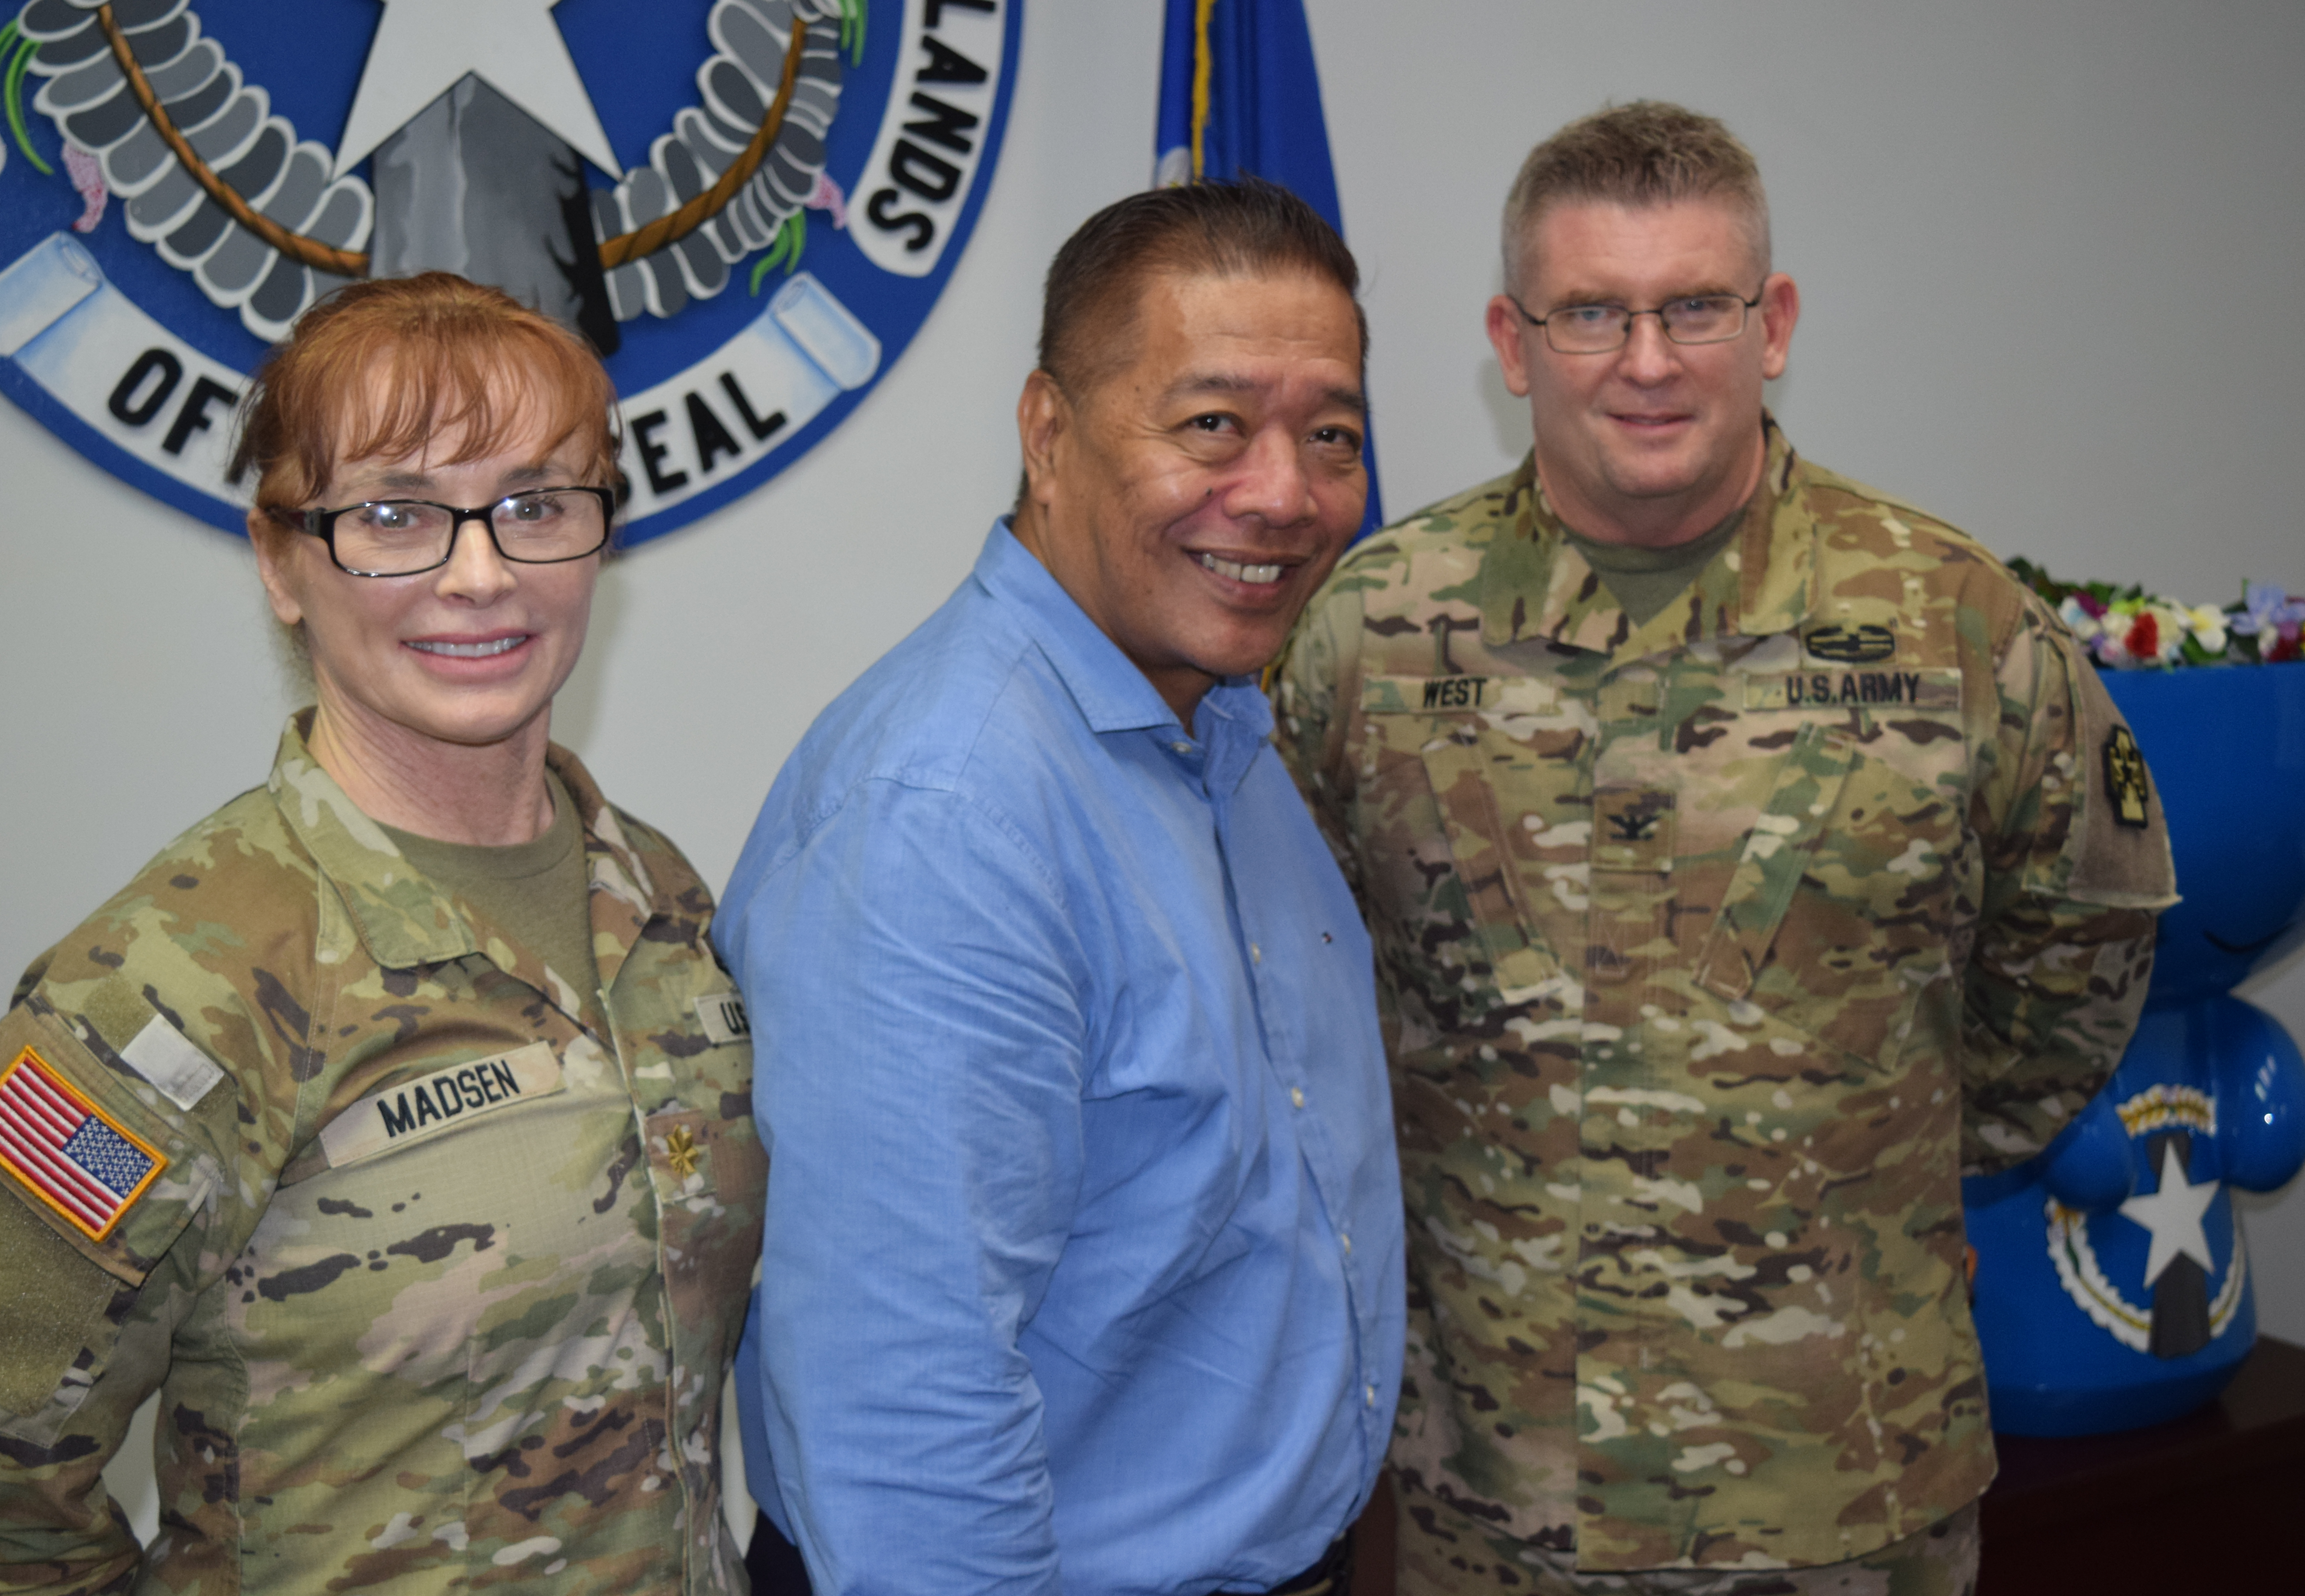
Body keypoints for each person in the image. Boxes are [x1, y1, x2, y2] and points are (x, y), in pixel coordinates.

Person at [1274, 103, 2177, 1596]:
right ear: (1512, 341)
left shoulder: (1956, 626)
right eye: (1593, 313)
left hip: (1846, 1489)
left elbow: (2079, 944)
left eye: (1697, 304)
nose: (1648, 360)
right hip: (1494, 1492)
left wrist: (1873, 1180)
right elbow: (1287, 996)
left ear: (1775, 325)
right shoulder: (1368, 636)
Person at [0, 273, 763, 1593]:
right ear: (281, 563)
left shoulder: (658, 898)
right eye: (395, 516)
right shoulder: (168, 988)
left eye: (537, 506)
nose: (479, 573)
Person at [714, 180, 1406, 1596]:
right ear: (1049, 433)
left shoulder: (1216, 734)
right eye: (1211, 423)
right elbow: (907, 1435)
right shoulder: (949, 816)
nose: (1283, 491)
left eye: (1329, 435)